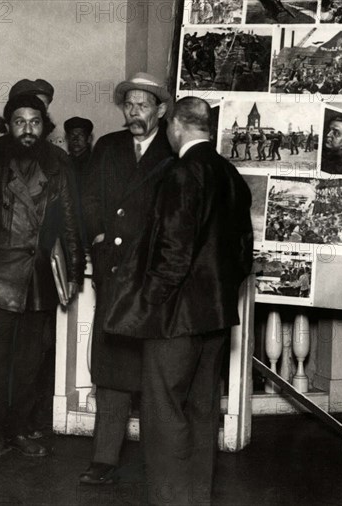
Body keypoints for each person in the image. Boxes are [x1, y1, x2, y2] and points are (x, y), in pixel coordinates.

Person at [103, 97, 253, 505]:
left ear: (175, 126)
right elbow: (243, 253)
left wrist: (148, 304)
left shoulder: (181, 173)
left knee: (164, 415)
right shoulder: (229, 173)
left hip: (174, 321)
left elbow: (173, 252)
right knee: (203, 415)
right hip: (216, 319)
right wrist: (218, 295)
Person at [0, 94, 85, 465]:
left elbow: (70, 219)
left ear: (44, 125)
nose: (27, 129)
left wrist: (73, 270)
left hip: (38, 277)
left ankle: (19, 429)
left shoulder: (58, 163)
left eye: (34, 122)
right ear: (8, 124)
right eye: (19, 121)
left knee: (30, 365)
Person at [80, 72, 173, 485]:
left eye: (143, 106)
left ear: (161, 110)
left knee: (155, 371)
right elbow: (89, 199)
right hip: (114, 274)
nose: (135, 113)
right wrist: (98, 237)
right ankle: (104, 459)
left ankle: (159, 461)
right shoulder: (108, 146)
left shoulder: (174, 150)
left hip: (153, 279)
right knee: (112, 367)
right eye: (129, 105)